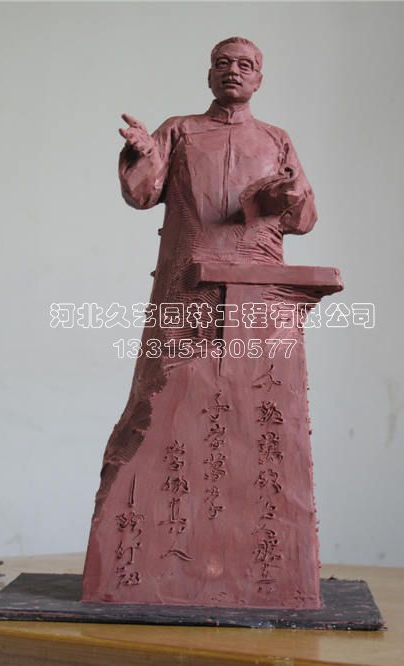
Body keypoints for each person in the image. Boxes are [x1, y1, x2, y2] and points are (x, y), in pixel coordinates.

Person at [83, 38, 326, 609]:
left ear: (259, 78)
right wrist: (143, 153)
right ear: (209, 75)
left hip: (258, 290)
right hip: (187, 283)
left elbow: (305, 217)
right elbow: (143, 193)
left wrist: (288, 193)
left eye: (245, 65)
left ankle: (248, 558)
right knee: (165, 399)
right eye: (222, 64)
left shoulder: (276, 139)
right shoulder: (181, 130)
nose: (232, 72)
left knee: (251, 410)